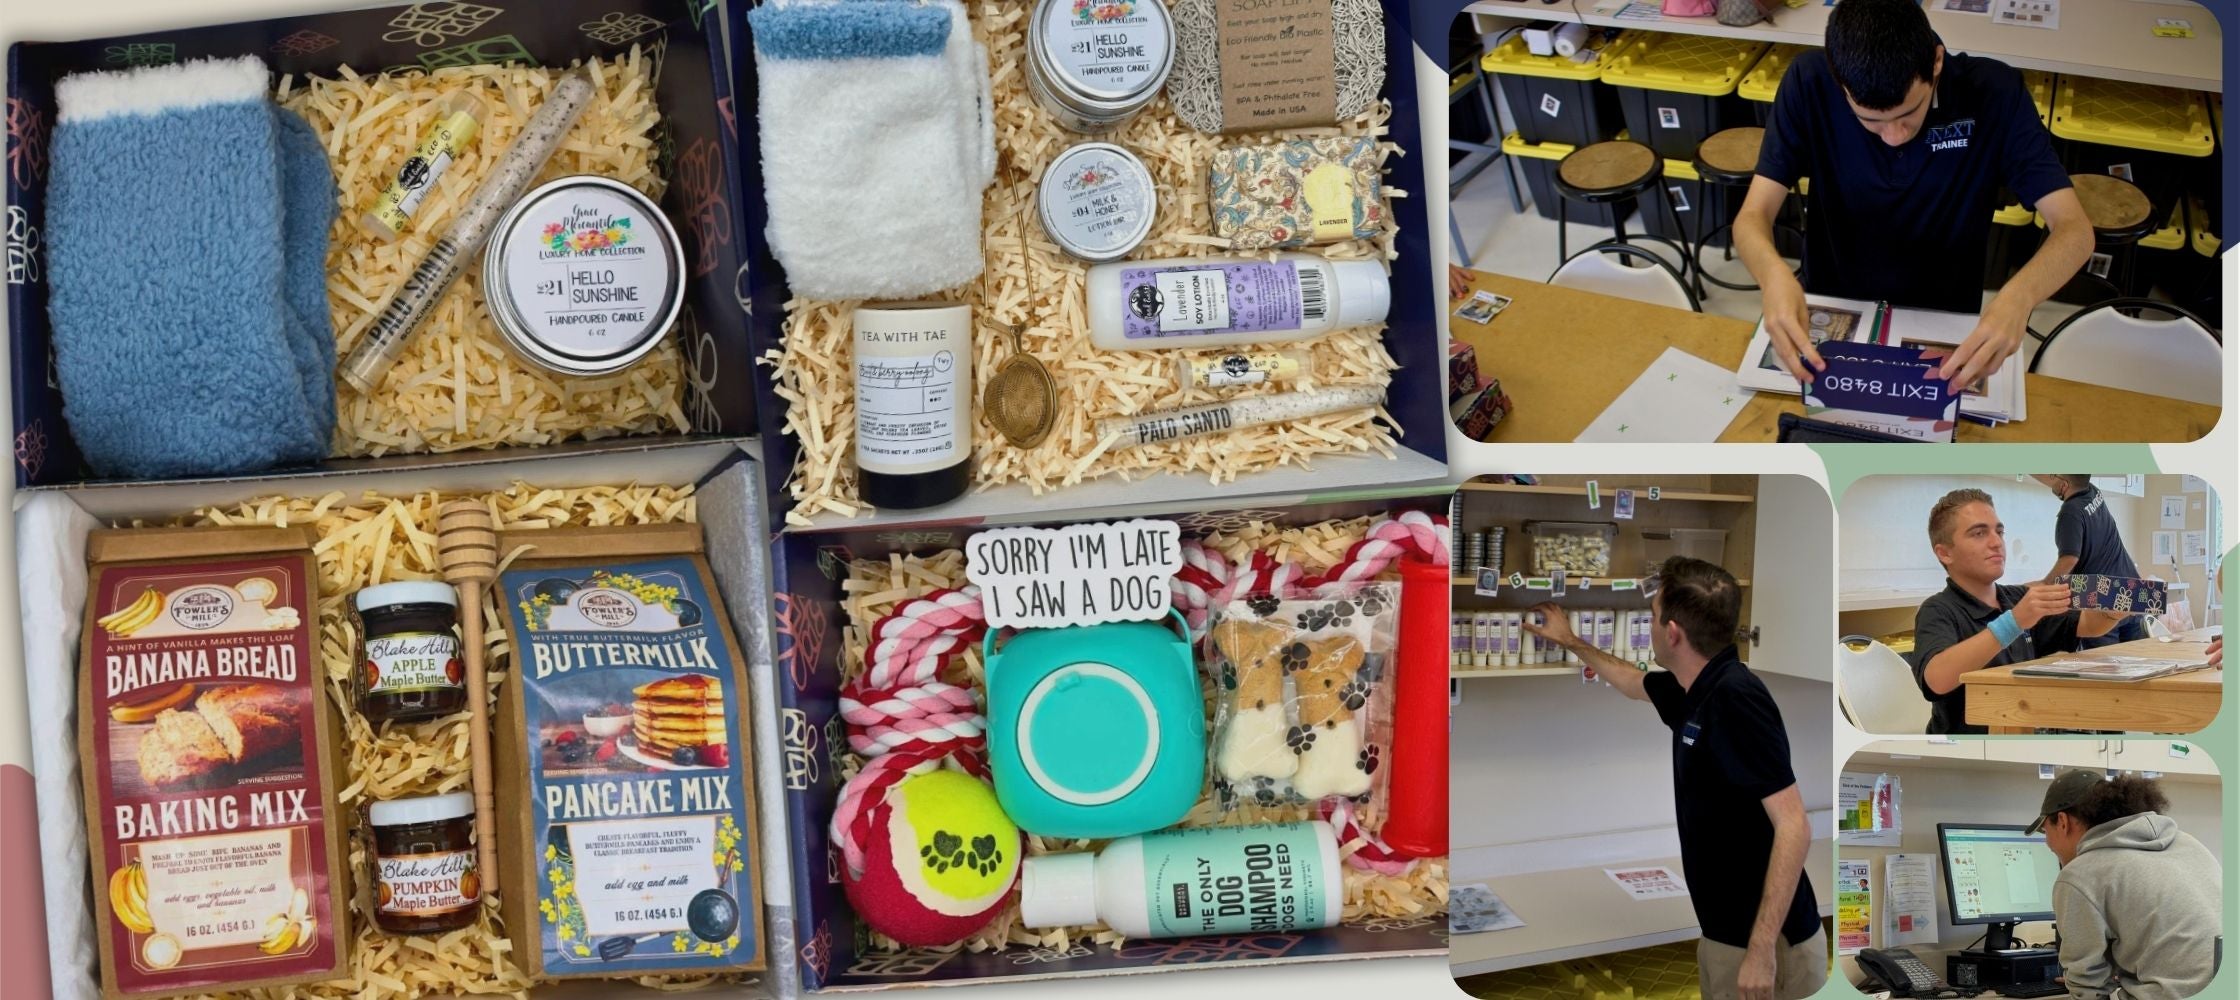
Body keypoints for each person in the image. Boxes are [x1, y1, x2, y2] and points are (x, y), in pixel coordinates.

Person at [1733, 0, 2093, 391]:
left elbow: (2074, 229)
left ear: (1936, 62)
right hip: (1835, 306)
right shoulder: (1809, 81)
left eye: (1909, 112)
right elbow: (1753, 214)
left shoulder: (1994, 92)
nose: (1894, 135)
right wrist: (1773, 277)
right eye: (1871, 120)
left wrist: (2019, 298)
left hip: (1944, 319)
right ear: (1840, 84)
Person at [1524, 558, 1825, 1000]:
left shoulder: (1735, 699)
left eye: (1651, 616)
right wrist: (1569, 639)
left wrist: (1760, 951)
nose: (1648, 624)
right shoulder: (1695, 688)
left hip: (1764, 945)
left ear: (1672, 633)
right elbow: (1631, 681)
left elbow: (1794, 825)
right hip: (1728, 933)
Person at [1911, 489, 2124, 734]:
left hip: (2023, 733)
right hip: (1969, 750)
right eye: (1979, 533)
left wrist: (2114, 610)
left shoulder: (2018, 598)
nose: (1996, 542)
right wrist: (2013, 622)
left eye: (1999, 532)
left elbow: (2087, 625)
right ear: (1944, 553)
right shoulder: (1938, 610)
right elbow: (1937, 680)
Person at [2028, 770, 2222, 1000]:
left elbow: (2088, 992)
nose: (2046, 841)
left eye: (2044, 830)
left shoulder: (2080, 874)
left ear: (2062, 821)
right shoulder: (2188, 844)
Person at [2031, 475, 2148, 646]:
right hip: (2133, 592)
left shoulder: (2070, 511)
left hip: (2102, 601)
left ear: (2064, 484)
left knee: (2106, 668)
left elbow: (2069, 559)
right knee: (2140, 665)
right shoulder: (2093, 492)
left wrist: (2046, 585)